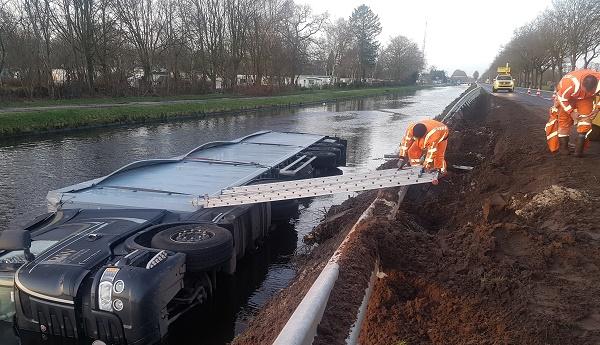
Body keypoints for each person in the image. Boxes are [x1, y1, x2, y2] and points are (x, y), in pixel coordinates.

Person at [545, 69, 600, 156]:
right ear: (582, 86)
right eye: (586, 91)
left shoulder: (598, 80)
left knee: (586, 119)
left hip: (586, 99)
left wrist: (597, 108)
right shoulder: (568, 84)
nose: (586, 93)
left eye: (592, 92)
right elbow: (562, 99)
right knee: (564, 121)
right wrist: (571, 112)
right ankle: (563, 148)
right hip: (568, 97)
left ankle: (578, 150)